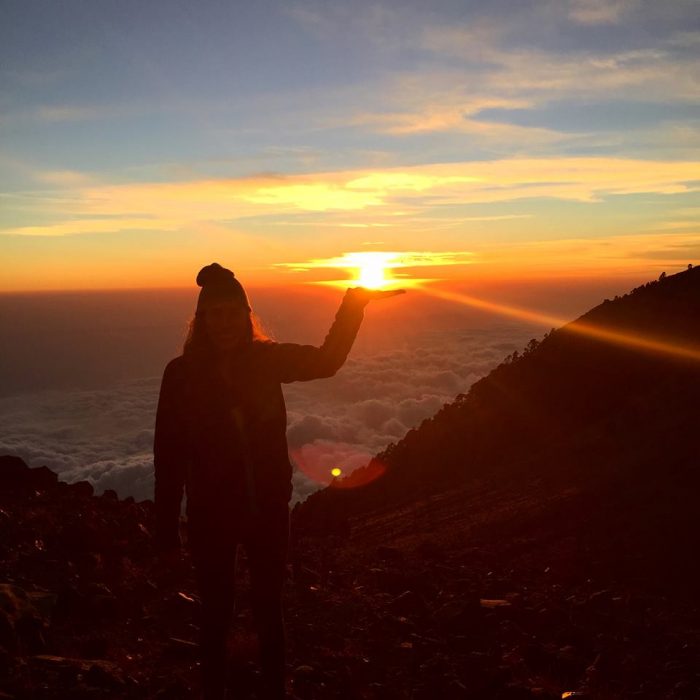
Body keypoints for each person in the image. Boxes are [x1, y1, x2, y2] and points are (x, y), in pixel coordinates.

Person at [153, 262, 403, 699]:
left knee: (269, 611)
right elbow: (168, 455)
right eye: (217, 314)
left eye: (234, 313)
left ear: (246, 316)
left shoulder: (266, 360)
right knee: (216, 614)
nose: (226, 323)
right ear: (202, 320)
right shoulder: (180, 375)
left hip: (266, 508)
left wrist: (353, 304)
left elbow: (327, 361)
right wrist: (165, 533)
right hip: (212, 513)